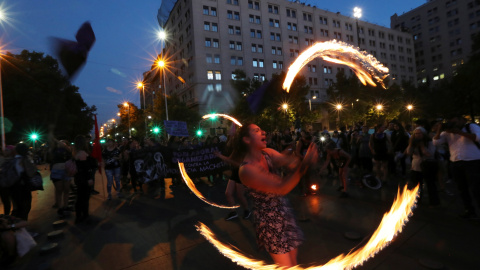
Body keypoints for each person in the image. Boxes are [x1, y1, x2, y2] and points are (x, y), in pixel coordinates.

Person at [232, 123, 318, 267]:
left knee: (294, 262)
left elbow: (291, 163)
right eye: (257, 130)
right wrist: (304, 165)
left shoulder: (268, 153)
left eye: (262, 129)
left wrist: (298, 158)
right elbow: (282, 187)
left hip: (284, 212)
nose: (263, 132)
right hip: (270, 222)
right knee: (286, 266)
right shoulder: (246, 170)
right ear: (247, 139)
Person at [433, 116, 480, 219]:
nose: (453, 124)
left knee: (476, 188)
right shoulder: (447, 132)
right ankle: (469, 211)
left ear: (462, 120)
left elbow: (478, 137)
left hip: (472, 162)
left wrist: (459, 132)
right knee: (462, 189)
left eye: (455, 122)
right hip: (455, 162)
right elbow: (436, 142)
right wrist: (439, 130)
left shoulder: (470, 127)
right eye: (451, 122)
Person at [405, 127, 440, 206]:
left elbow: (429, 154)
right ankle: (416, 200)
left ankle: (434, 202)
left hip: (427, 166)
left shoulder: (429, 142)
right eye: (416, 133)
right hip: (416, 166)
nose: (418, 135)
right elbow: (409, 152)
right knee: (416, 184)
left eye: (420, 133)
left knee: (430, 185)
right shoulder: (413, 142)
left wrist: (422, 146)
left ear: (424, 134)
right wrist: (411, 144)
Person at [73, 135, 98, 224]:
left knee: (80, 197)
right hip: (83, 178)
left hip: (79, 178)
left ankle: (79, 216)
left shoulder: (76, 152)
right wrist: (89, 179)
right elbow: (84, 168)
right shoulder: (82, 153)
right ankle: (84, 216)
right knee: (84, 197)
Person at [10, 143, 36, 221]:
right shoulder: (25, 160)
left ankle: (14, 226)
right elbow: (31, 173)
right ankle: (20, 228)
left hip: (13, 187)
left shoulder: (11, 160)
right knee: (25, 208)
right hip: (23, 187)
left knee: (17, 207)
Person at [49, 139, 73, 216]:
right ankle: (60, 208)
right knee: (59, 190)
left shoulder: (69, 149)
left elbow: (69, 150)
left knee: (66, 189)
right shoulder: (54, 149)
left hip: (67, 171)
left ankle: (65, 206)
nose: (61, 143)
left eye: (63, 141)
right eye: (60, 141)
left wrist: (60, 143)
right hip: (57, 171)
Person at [0, 145, 15, 215]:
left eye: (7, 150)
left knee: (9, 201)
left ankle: (8, 216)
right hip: (3, 183)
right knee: (6, 201)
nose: (4, 151)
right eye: (4, 150)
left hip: (9, 184)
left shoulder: (14, 160)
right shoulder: (2, 159)